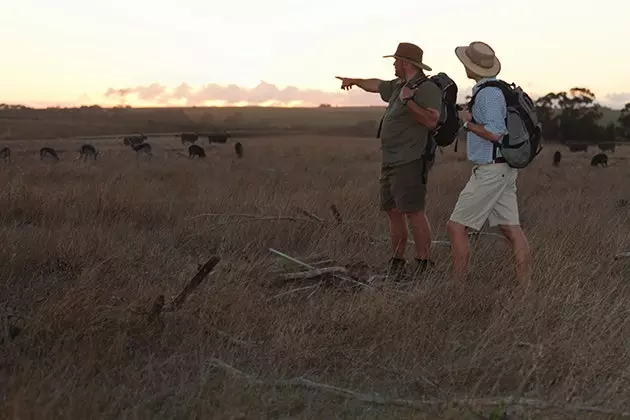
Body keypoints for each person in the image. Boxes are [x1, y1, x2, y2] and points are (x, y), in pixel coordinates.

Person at [336, 42, 442, 280]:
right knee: (393, 211)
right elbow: (376, 84)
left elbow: (432, 121)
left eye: (396, 60)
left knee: (413, 211)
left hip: (411, 159)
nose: (393, 64)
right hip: (391, 160)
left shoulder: (426, 88)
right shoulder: (398, 85)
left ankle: (424, 264)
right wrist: (354, 80)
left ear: (406, 63)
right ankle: (397, 262)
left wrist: (408, 102)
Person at [446, 41, 531, 289]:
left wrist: (466, 123)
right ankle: (526, 290)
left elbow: (495, 132)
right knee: (510, 228)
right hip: (502, 168)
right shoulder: (494, 90)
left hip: (492, 170)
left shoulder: (488, 94)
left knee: (455, 227)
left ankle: (458, 288)